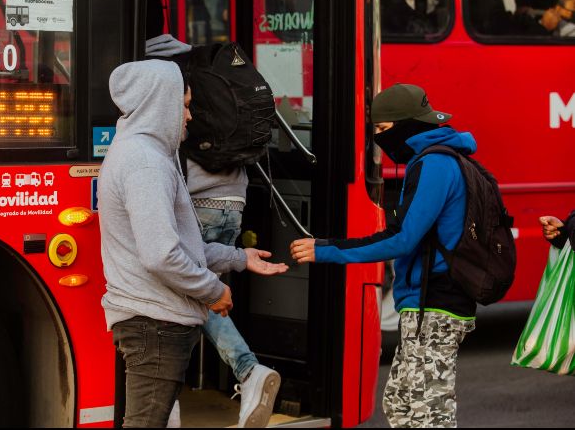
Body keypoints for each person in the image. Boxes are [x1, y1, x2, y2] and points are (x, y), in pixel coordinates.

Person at [99, 58, 288, 428]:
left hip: (153, 320)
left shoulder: (141, 154)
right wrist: (211, 290)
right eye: (184, 105)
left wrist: (238, 257)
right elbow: (161, 255)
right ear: (160, 103)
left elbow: (178, 246)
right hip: (156, 323)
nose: (189, 116)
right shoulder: (146, 163)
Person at [290, 83, 477, 428]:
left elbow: (402, 240)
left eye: (383, 129)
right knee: (400, 405)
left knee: (426, 415)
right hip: (423, 304)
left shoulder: (435, 165)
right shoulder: (431, 159)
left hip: (435, 305)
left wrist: (326, 250)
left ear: (408, 124)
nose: (378, 138)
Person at [145, 33, 283, 428]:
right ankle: (240, 376)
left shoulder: (159, 61)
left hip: (195, 202)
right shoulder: (206, 63)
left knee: (183, 297)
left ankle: (242, 372)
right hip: (233, 203)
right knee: (198, 300)